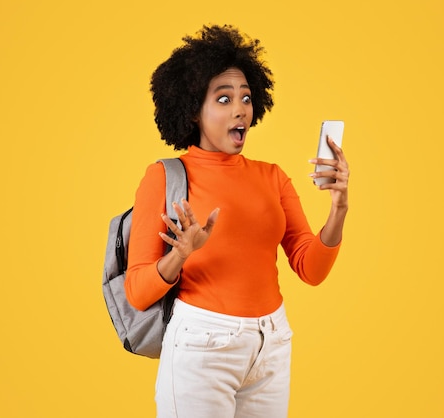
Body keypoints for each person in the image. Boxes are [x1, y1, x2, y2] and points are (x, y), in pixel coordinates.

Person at [125, 24, 349, 418]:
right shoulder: (164, 177)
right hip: (201, 346)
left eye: (245, 98)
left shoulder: (272, 176)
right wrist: (180, 255)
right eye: (224, 99)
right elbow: (137, 293)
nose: (240, 109)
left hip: (271, 344)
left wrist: (338, 208)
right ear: (193, 109)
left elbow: (310, 269)